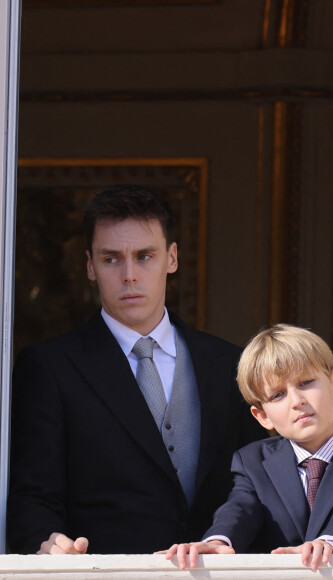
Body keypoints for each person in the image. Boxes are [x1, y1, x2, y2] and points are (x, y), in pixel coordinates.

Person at [7, 184, 265, 555]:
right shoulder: (50, 367)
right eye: (111, 259)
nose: (129, 274)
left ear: (172, 258)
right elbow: (32, 495)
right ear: (89, 266)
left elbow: (259, 484)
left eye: (145, 256)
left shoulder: (229, 364)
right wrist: (45, 545)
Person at [158, 324, 333, 571]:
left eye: (306, 383)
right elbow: (239, 510)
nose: (297, 401)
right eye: (278, 395)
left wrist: (330, 543)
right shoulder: (252, 461)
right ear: (262, 416)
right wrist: (218, 541)